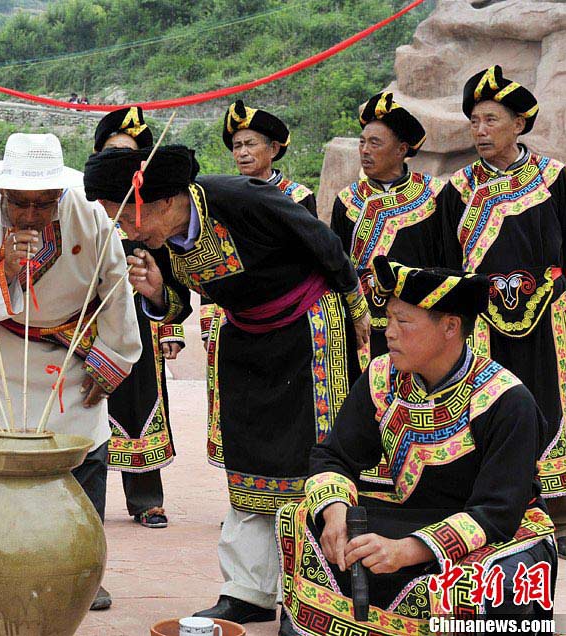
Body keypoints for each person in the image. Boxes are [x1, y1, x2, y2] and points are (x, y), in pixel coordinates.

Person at [84, 145, 368, 623]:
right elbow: (175, 303)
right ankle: (249, 591)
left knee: (315, 453)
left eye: (127, 219)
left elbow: (321, 240)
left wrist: (356, 307)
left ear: (161, 202)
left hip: (309, 331)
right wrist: (157, 292)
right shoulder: (151, 242)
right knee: (249, 458)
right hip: (246, 339)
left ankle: (322, 588)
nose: (126, 231)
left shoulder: (240, 197)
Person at [277, 257, 556, 635]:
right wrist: (334, 511)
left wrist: (405, 550)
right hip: (414, 513)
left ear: (451, 327)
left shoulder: (504, 399)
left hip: (497, 531)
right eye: (388, 318)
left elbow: (496, 513)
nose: (388, 332)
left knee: (483, 586)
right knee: (300, 519)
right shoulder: (383, 377)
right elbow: (333, 455)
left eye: (403, 321)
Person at [0, 132, 142, 611]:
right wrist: (5, 270)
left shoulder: (90, 215)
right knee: (11, 468)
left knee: (86, 462)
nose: (33, 214)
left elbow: (116, 287)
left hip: (77, 358)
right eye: (21, 204)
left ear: (60, 193)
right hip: (7, 358)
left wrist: (115, 358)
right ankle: (11, 567)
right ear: (3, 194)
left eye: (44, 203)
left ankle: (84, 572)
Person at [438, 65, 566, 550]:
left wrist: (547, 288)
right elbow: (447, 263)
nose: (481, 130)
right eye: (474, 120)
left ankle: (558, 513)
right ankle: (496, 508)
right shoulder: (458, 190)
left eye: (491, 119)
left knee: (551, 405)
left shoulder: (556, 180)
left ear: (519, 123)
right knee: (490, 410)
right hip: (482, 326)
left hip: (550, 325)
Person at [203, 100, 317, 470]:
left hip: (292, 316)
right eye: (237, 146)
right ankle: (246, 496)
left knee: (292, 406)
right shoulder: (219, 197)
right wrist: (208, 319)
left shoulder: (298, 198)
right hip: (238, 317)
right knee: (243, 409)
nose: (243, 152)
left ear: (274, 148)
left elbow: (315, 258)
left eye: (251, 143)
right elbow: (209, 261)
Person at [93, 107, 185, 529]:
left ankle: (146, 498)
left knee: (144, 398)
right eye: (112, 152)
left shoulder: (153, 209)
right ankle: (84, 497)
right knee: (90, 401)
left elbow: (174, 268)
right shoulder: (87, 203)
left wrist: (171, 326)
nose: (120, 162)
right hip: (93, 319)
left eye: (129, 155)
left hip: (141, 314)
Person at [331, 91, 443, 362]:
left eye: (375, 143)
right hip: (364, 324)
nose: (365, 151)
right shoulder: (347, 200)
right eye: (362, 142)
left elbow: (445, 258)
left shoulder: (434, 195)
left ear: (401, 150)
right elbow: (338, 265)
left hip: (419, 320)